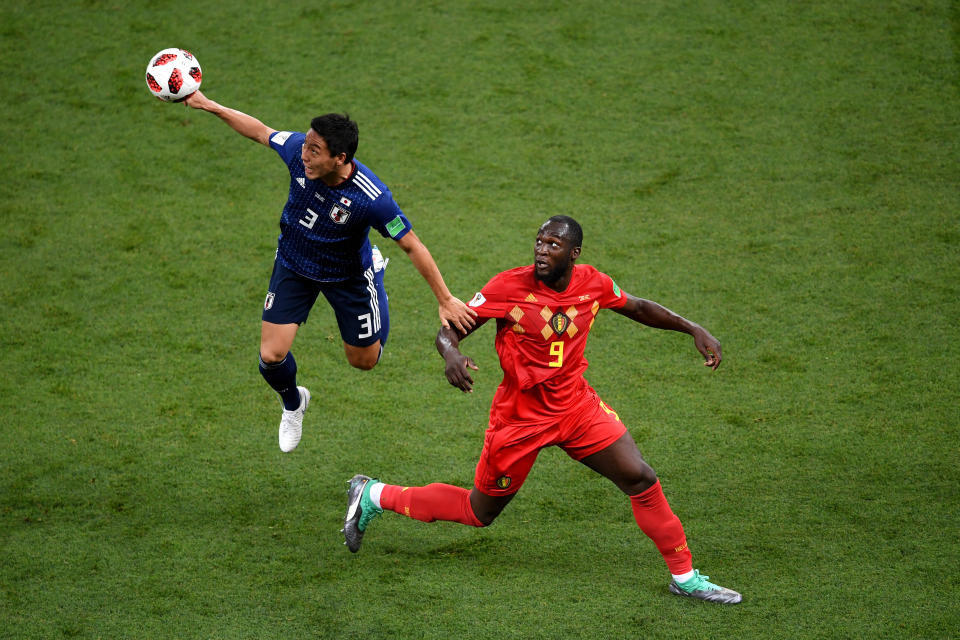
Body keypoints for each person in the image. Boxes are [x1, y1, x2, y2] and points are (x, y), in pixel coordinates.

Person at [342, 215, 741, 604]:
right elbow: (451, 328)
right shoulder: (507, 287)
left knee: (640, 477)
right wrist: (451, 354)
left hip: (575, 408)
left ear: (574, 253)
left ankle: (685, 578)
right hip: (519, 418)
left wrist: (691, 327)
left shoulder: (593, 284)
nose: (542, 250)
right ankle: (375, 494)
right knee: (478, 511)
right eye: (539, 241)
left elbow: (637, 307)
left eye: (553, 244)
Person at [183, 90, 476, 452]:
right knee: (271, 357)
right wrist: (209, 104)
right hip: (294, 263)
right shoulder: (297, 154)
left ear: (340, 158)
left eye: (314, 151)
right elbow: (260, 131)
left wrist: (445, 299)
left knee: (364, 362)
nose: (304, 154)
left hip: (346, 276)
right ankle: (293, 402)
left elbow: (412, 243)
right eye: (306, 144)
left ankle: (375, 275)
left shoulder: (373, 199)